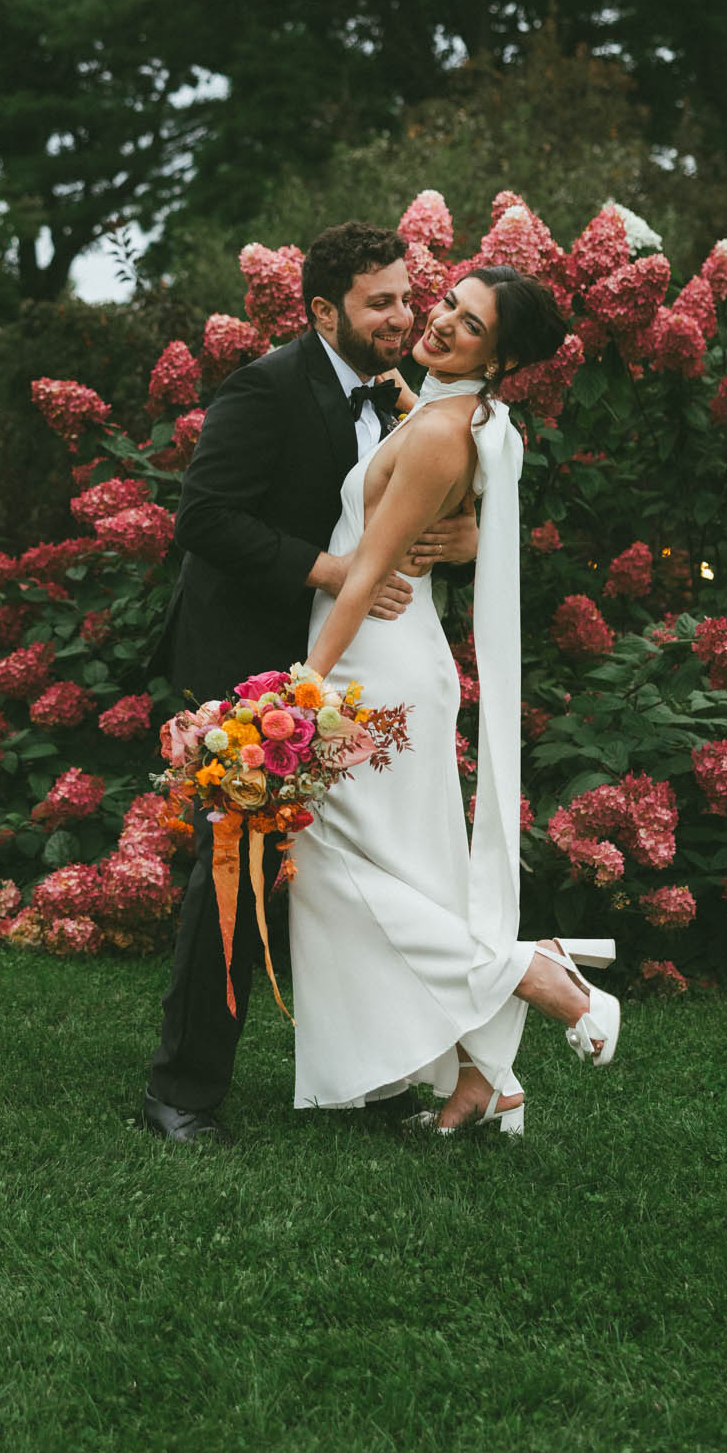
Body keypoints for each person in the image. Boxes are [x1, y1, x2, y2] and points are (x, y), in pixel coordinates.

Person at [140, 222, 478, 1146]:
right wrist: (333, 571)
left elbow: (430, 501)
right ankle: (182, 1092)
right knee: (233, 879)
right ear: (324, 309)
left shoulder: (408, 398)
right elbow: (204, 516)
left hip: (346, 674)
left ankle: (375, 1072)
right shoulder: (266, 387)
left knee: (364, 872)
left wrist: (460, 539)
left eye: (410, 298)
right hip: (247, 661)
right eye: (382, 302)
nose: (404, 316)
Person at [290, 266, 621, 1135]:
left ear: (500, 356)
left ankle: (536, 978)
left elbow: (365, 572)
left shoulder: (444, 431)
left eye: (467, 325)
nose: (437, 323)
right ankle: (486, 1080)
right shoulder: (458, 416)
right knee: (409, 875)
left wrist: (301, 687)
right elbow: (442, 497)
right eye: (447, 304)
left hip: (371, 669)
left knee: (326, 859)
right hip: (393, 663)